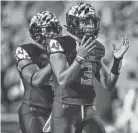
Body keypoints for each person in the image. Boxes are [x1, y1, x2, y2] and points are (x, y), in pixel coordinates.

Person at [47, 3, 129, 133]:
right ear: (74, 23)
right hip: (66, 108)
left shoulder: (96, 47)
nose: (91, 25)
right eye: (86, 22)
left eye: (92, 21)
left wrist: (117, 61)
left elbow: (108, 84)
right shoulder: (59, 43)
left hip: (89, 108)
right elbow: (62, 80)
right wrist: (79, 58)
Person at [15, 11, 62, 133]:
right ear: (36, 32)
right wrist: (55, 60)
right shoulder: (26, 50)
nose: (54, 33)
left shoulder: (62, 53)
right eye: (49, 29)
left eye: (55, 29)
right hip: (34, 110)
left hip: (57, 111)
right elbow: (35, 80)